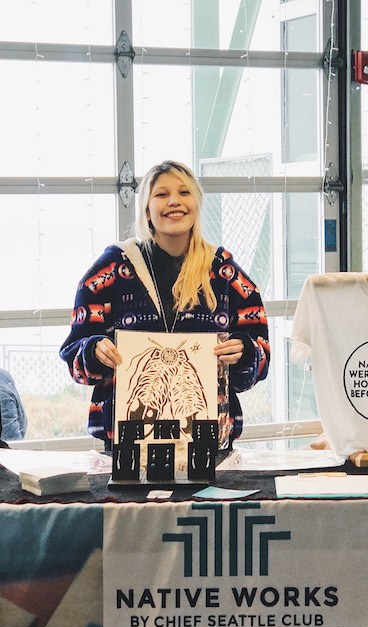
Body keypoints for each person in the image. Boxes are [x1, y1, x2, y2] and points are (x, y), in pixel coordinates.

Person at [60, 159, 270, 448]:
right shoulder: (110, 270)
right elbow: (74, 359)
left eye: (184, 193)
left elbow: (260, 358)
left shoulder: (224, 271)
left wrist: (246, 352)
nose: (174, 201)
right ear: (146, 208)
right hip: (127, 444)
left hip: (208, 443)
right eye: (161, 194)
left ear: (196, 204)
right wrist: (94, 351)